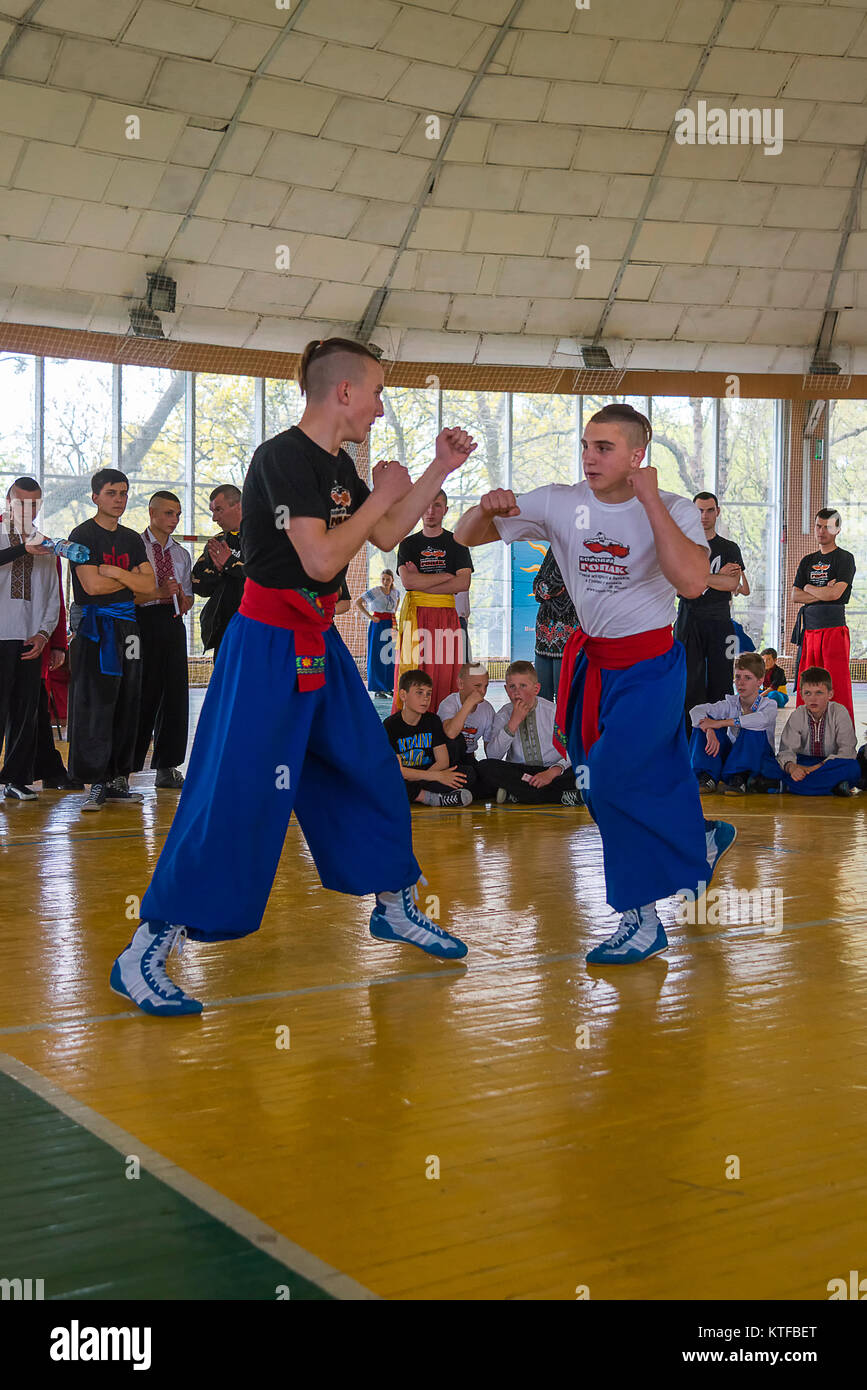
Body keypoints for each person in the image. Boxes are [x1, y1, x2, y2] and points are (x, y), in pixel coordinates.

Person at [111, 337, 477, 1016]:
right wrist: (387, 493)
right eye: (374, 391)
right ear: (342, 391)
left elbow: (387, 530)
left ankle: (393, 904)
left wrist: (435, 468)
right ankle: (148, 944)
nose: (378, 405)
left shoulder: (337, 464)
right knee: (234, 790)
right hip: (266, 643)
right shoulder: (281, 458)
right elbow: (318, 559)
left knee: (368, 766)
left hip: (316, 642)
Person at [455, 402, 736, 966]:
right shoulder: (562, 501)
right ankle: (697, 837)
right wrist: (485, 509)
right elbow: (466, 535)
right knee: (613, 775)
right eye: (586, 445)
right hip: (592, 663)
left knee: (609, 780)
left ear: (637, 456)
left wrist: (650, 497)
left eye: (604, 447)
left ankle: (642, 920)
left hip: (652, 666)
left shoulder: (675, 509)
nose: (589, 457)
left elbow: (690, 583)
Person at [67, 468, 155, 812]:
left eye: (124, 493)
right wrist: (132, 578)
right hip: (94, 630)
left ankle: (120, 778)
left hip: (129, 631)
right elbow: (92, 586)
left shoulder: (133, 539)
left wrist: (116, 572)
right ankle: (96, 781)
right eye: (112, 493)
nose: (119, 499)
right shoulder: (82, 536)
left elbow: (150, 587)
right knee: (95, 702)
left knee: (128, 701)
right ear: (95, 497)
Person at [0, 477, 60, 800]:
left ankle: (17, 779)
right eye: (22, 502)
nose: (28, 509)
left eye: (35, 503)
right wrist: (23, 548)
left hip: (28, 638)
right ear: (8, 501)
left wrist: (43, 633)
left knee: (25, 711)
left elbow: (53, 595)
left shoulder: (45, 544)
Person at [133, 492, 194, 791]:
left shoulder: (182, 554)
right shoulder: (135, 548)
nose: (174, 519)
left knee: (175, 696)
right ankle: (126, 766)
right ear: (152, 513)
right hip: (141, 623)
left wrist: (183, 600)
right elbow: (128, 595)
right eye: (169, 513)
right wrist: (157, 593)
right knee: (143, 693)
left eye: (178, 514)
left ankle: (168, 766)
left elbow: (189, 597)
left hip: (172, 623)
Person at [394, 490, 473, 713]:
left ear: (445, 510)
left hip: (446, 617)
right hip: (416, 616)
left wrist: (423, 580)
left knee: (445, 670)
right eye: (427, 505)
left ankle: (443, 725)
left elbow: (462, 583)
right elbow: (408, 582)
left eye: (437, 505)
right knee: (415, 672)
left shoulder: (457, 542)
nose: (430, 510)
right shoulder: (408, 544)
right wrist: (445, 577)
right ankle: (411, 725)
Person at [674, 491, 745, 725]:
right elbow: (680, 587)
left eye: (709, 510)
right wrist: (715, 577)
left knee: (722, 681)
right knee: (688, 682)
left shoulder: (729, 548)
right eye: (699, 511)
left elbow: (732, 584)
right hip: (688, 619)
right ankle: (689, 738)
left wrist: (697, 578)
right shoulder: (682, 546)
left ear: (717, 512)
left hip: (719, 621)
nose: (704, 516)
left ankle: (721, 736)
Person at [477, 660, 579, 806]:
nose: (517, 692)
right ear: (506, 690)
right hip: (522, 773)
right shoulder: (503, 715)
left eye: (523, 686)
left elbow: (572, 749)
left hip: (554, 770)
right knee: (485, 767)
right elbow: (493, 755)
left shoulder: (553, 712)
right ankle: (560, 796)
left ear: (536, 689)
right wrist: (513, 724)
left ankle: (518, 795)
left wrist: (553, 772)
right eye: (512, 687)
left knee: (584, 767)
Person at [791, 508, 856, 722]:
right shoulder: (807, 560)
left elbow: (836, 593)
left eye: (827, 526)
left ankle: (841, 738)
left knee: (836, 686)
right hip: (810, 632)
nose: (821, 531)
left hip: (834, 631)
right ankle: (805, 734)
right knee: (808, 686)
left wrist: (808, 588)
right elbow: (794, 595)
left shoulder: (845, 558)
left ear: (837, 529)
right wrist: (822, 592)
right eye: (818, 526)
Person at [688, 651, 781, 794]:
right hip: (734, 756)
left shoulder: (769, 704)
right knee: (702, 724)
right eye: (737, 677)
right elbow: (696, 710)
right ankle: (707, 776)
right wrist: (709, 730)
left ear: (760, 681)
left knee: (751, 727)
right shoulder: (731, 703)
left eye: (747, 678)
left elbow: (761, 720)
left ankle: (740, 777)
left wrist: (721, 723)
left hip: (758, 757)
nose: (740, 683)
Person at [385, 669, 472, 808]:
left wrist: (430, 777)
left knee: (468, 774)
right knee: (387, 781)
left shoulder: (432, 721)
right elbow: (399, 771)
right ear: (403, 695)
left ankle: (417, 794)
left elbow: (443, 761)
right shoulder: (390, 725)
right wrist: (438, 777)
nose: (425, 698)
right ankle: (430, 798)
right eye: (419, 692)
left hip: (429, 773)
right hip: (408, 777)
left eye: (428, 693)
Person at [777, 667, 859, 797]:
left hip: (831, 763)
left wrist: (818, 767)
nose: (813, 699)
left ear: (830, 694)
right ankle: (835, 787)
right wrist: (792, 768)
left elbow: (847, 750)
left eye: (819, 693)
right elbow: (786, 750)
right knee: (775, 766)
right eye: (808, 693)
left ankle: (792, 786)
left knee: (852, 767)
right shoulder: (798, 714)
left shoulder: (839, 712)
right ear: (801, 695)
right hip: (803, 763)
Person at [191, 485, 245, 660]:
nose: (214, 518)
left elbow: (266, 576)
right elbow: (198, 585)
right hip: (223, 630)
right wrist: (218, 569)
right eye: (212, 512)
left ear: (239, 506)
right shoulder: (217, 542)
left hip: (256, 627)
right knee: (224, 684)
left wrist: (230, 564)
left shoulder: (261, 538)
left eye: (219, 510)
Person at [437, 661, 495, 800]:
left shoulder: (487, 709)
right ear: (461, 684)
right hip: (448, 758)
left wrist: (492, 770)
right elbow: (450, 733)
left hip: (468, 758)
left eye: (485, 686)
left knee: (485, 774)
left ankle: (463, 790)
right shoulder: (449, 703)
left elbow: (489, 748)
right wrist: (469, 704)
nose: (482, 692)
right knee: (457, 742)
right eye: (477, 686)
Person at [533, 546, 578, 702]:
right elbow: (537, 586)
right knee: (540, 698)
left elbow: (553, 585)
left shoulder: (578, 549)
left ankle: (562, 728)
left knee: (564, 698)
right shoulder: (554, 548)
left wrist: (545, 589)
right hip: (544, 636)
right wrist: (545, 589)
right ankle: (543, 727)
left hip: (568, 635)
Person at [355, 567, 399, 696]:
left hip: (390, 624)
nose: (385, 581)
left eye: (388, 579)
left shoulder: (396, 593)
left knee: (389, 655)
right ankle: (377, 688)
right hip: (378, 624)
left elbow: (397, 603)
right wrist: (370, 617)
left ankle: (388, 686)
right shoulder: (375, 591)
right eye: (383, 579)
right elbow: (358, 602)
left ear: (392, 580)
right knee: (377, 655)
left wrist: (394, 613)